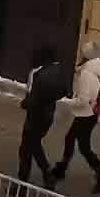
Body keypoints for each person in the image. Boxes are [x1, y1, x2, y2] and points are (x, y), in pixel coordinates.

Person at [54, 43, 100, 194]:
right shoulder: (96, 70)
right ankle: (63, 168)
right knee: (73, 141)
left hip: (85, 114)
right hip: (89, 114)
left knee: (82, 147)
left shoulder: (87, 74)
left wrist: (64, 101)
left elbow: (83, 100)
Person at [17, 47, 67, 189]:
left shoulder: (36, 74)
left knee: (26, 149)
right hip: (48, 115)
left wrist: (25, 103)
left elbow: (32, 98)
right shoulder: (57, 71)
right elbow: (63, 91)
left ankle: (23, 184)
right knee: (33, 145)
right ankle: (46, 176)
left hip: (34, 116)